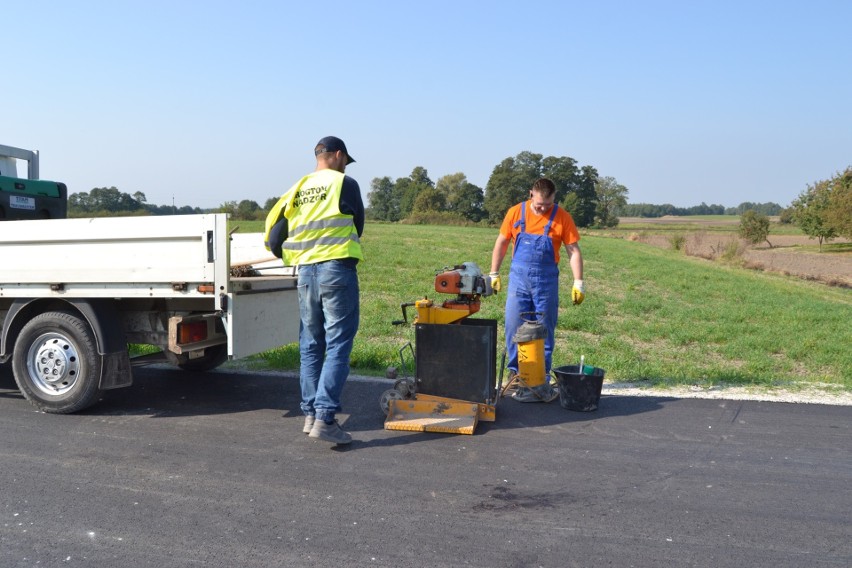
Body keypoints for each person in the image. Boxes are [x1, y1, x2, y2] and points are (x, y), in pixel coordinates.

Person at [264, 136, 364, 444]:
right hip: (336, 270)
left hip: (306, 272)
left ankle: (309, 415)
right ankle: (325, 417)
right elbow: (358, 225)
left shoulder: (297, 188)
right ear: (336, 155)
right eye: (345, 160)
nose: (345, 166)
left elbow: (273, 237)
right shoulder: (343, 184)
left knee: (310, 343)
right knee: (337, 343)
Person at [489, 178, 584, 402]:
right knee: (514, 326)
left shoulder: (562, 217)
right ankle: (516, 376)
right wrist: (494, 273)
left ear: (554, 198)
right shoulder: (515, 213)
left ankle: (539, 379)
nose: (542, 209)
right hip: (518, 280)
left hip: (546, 282)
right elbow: (502, 242)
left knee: (544, 330)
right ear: (531, 193)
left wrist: (578, 281)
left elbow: (573, 250)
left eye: (547, 204)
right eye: (539, 204)